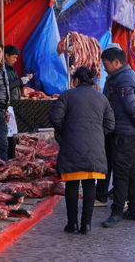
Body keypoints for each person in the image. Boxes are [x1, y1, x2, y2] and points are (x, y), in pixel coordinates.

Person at [49, 66, 115, 234]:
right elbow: (110, 124)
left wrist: (66, 131)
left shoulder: (67, 95)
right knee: (89, 184)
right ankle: (86, 225)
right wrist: (98, 134)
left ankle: (72, 224)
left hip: (72, 145)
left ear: (76, 80)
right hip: (95, 147)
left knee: (72, 184)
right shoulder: (101, 98)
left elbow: (55, 117)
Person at [100, 44, 135, 228]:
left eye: (106, 63)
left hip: (125, 132)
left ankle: (117, 212)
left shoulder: (123, 79)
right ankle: (134, 210)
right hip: (128, 131)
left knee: (121, 173)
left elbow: (131, 106)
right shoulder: (124, 76)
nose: (104, 67)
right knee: (132, 171)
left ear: (116, 62)